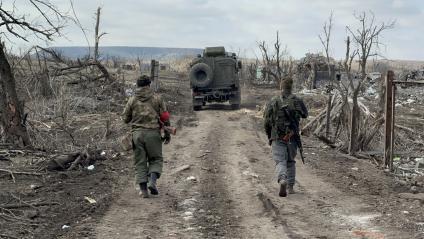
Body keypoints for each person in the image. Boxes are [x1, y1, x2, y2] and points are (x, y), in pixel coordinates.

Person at [123, 75, 171, 198]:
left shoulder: (132, 99)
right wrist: (167, 133)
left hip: (137, 135)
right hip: (153, 134)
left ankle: (144, 190)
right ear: (149, 85)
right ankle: (153, 182)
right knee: (156, 159)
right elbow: (165, 117)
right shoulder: (157, 98)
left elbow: (125, 119)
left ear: (137, 85)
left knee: (140, 162)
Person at [263, 78, 308, 197]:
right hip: (292, 137)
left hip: (277, 137)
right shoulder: (297, 100)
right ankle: (290, 187)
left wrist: (269, 136)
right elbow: (305, 114)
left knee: (280, 161)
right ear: (291, 87)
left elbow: (267, 121)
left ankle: (282, 179)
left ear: (280, 87)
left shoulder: (273, 101)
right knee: (291, 161)